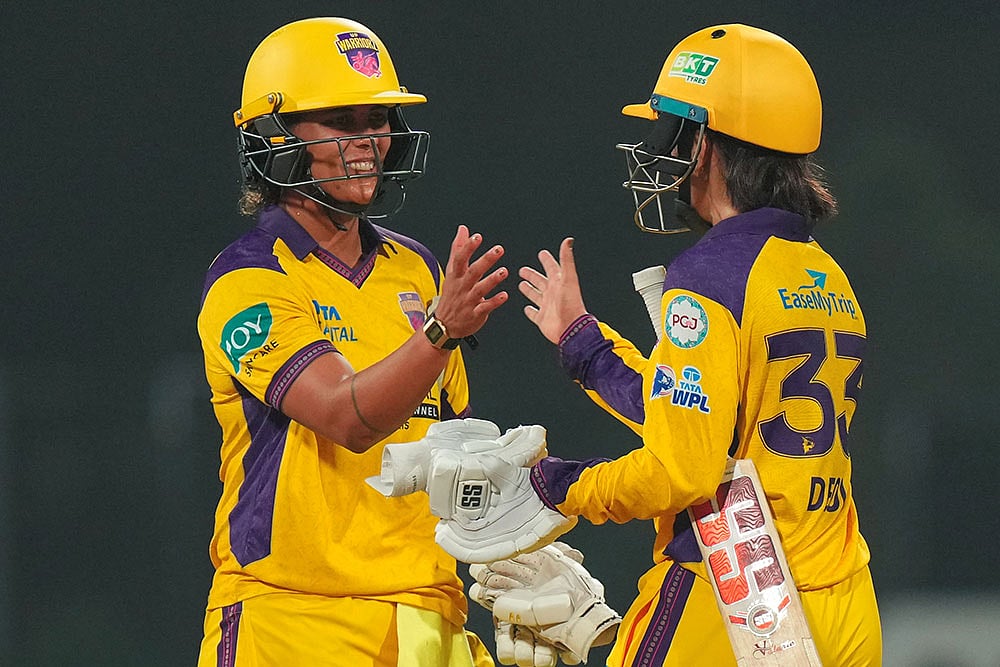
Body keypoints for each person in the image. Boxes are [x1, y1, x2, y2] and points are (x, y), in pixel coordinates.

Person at [507, 24, 881, 665]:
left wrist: (559, 488)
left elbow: (682, 470)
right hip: (844, 602)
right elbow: (703, 422)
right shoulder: (822, 271)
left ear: (705, 142)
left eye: (674, 130)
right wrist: (585, 345)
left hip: (736, 595)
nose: (664, 150)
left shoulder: (710, 273)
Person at [195, 17, 511, 666]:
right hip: (294, 617)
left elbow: (453, 448)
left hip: (426, 614)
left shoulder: (417, 270)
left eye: (379, 118)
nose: (371, 140)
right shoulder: (248, 277)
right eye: (342, 120)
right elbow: (346, 414)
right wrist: (440, 330)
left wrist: (522, 551)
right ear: (275, 137)